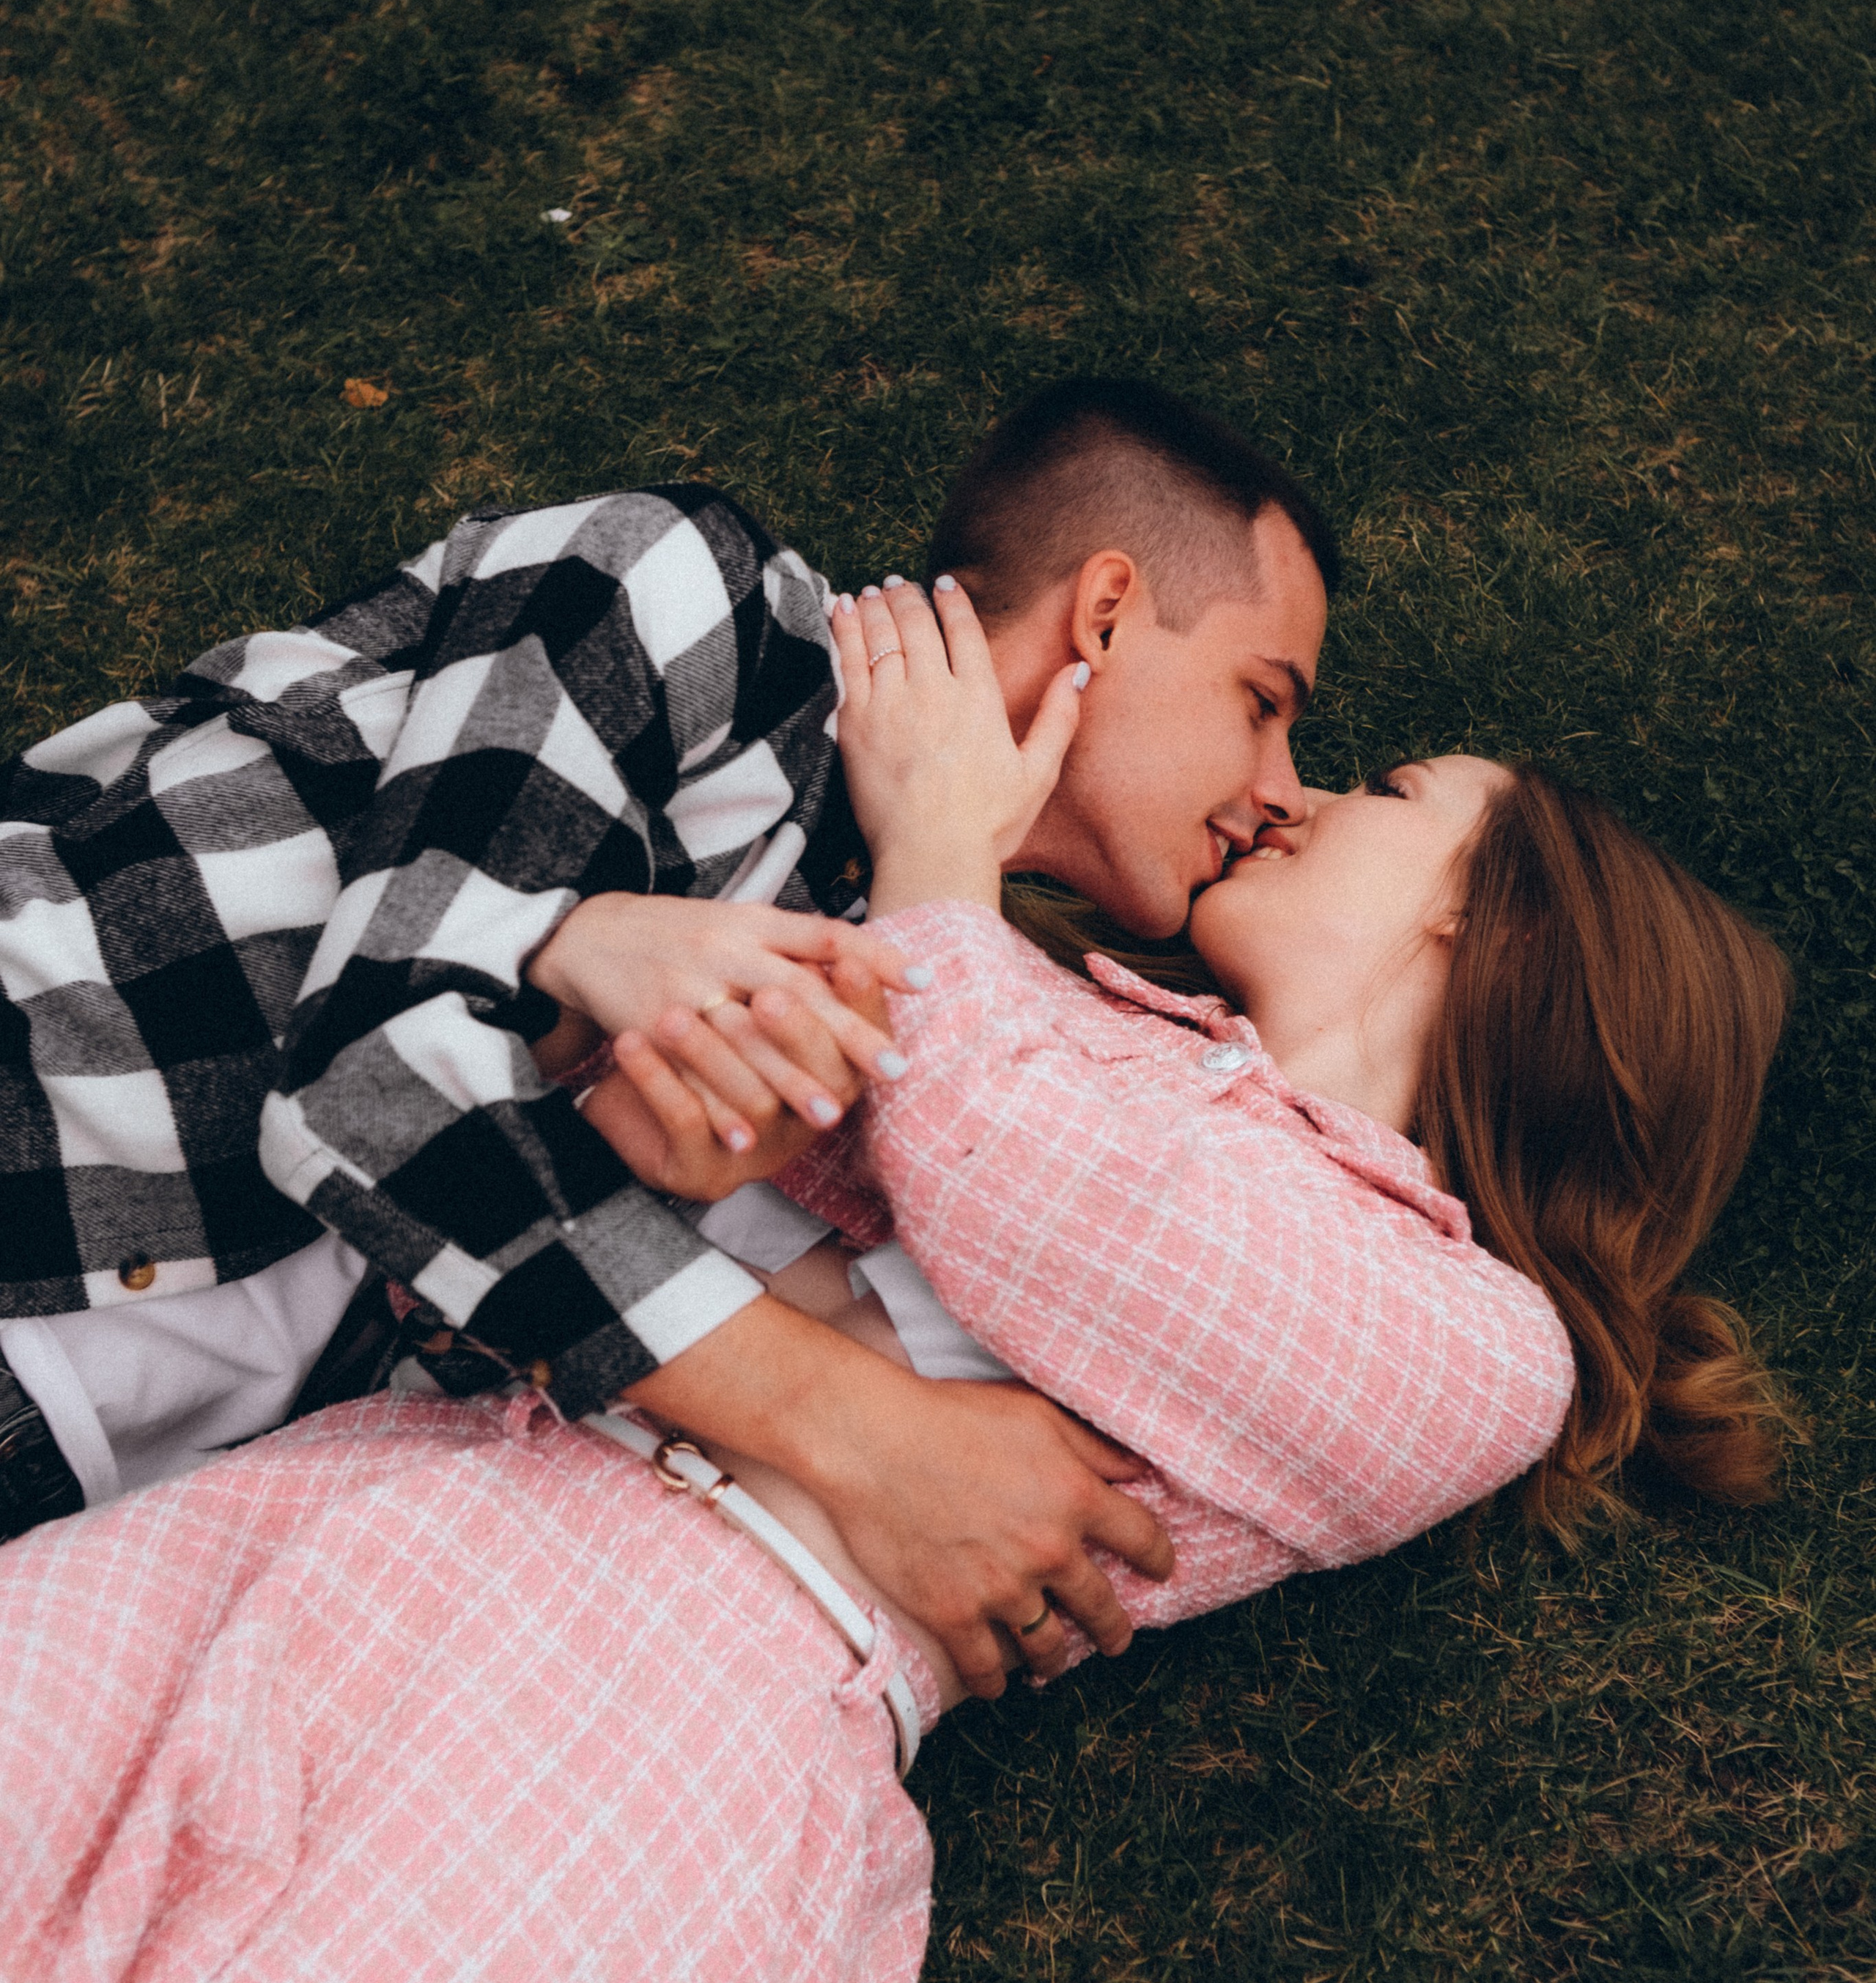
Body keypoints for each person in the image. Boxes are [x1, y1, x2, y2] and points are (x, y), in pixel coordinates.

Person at [0, 580, 1792, 1983]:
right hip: (389, 1491)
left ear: (1479, 923)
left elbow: (1024, 1190)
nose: (1306, 795)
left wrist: (938, 848)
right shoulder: (1077, 1031)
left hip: (657, 1714)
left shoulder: (1470, 1344)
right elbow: (774, 1159)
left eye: (1388, 790)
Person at [0, 376, 1333, 1678]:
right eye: (1263, 703)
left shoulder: (904, 959)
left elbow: (483, 1308)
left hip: (91, 1453)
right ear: (1105, 612)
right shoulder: (702, 599)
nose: (1282, 792)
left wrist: (595, 1051)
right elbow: (366, 1091)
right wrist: (867, 1435)